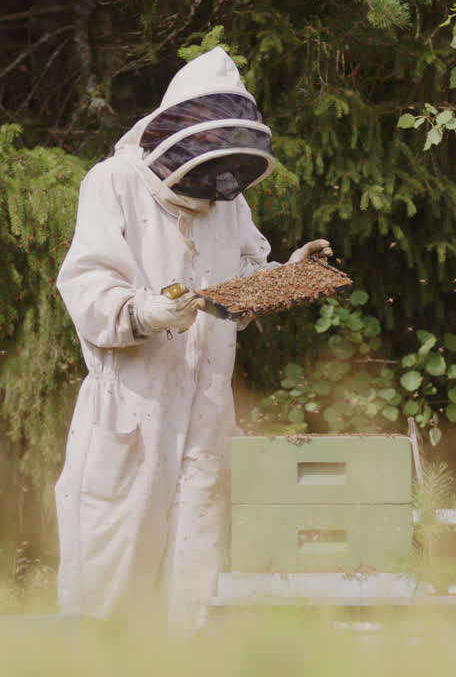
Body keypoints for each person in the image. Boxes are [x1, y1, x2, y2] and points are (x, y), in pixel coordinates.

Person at [53, 47, 332, 628]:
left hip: (207, 407)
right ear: (179, 133)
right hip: (130, 404)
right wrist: (146, 312)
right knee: (111, 573)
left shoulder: (228, 201)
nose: (216, 179)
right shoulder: (112, 183)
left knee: (195, 579)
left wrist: (284, 278)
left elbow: (234, 290)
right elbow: (85, 285)